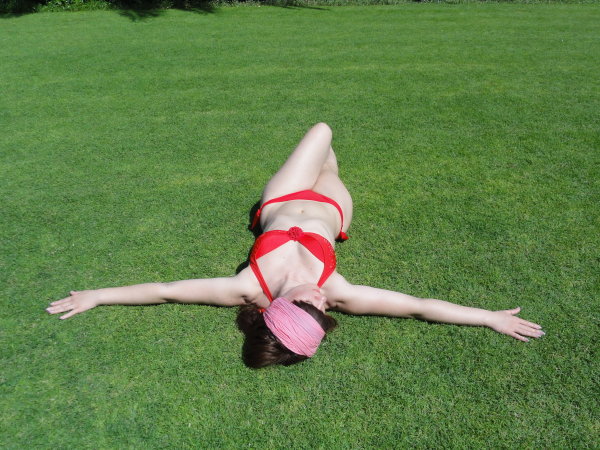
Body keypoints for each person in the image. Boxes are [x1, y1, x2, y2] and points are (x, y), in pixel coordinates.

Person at [46, 123, 544, 368]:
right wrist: (489, 317)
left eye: (312, 307)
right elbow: (418, 306)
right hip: (333, 209)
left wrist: (97, 295)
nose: (324, 303)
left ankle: (320, 158)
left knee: (322, 130)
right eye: (325, 315)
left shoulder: (246, 288)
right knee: (330, 161)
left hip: (283, 197)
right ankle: (327, 165)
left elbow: (166, 290)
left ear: (279, 307)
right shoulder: (340, 292)